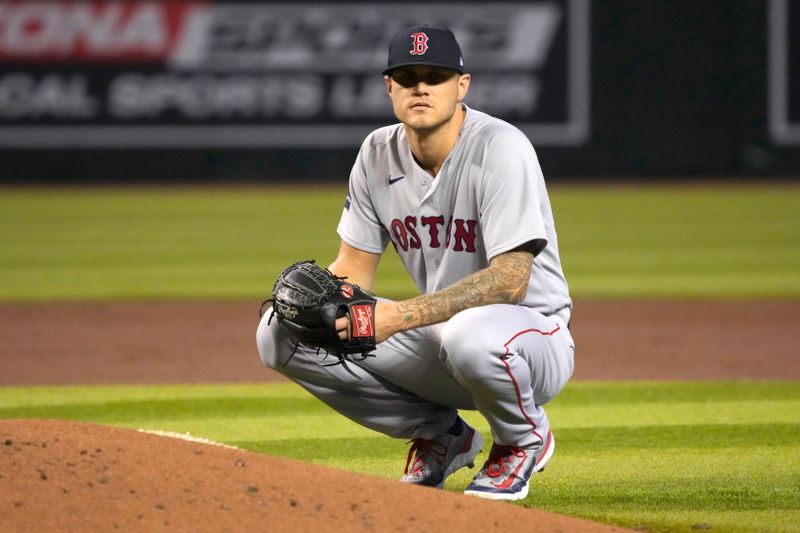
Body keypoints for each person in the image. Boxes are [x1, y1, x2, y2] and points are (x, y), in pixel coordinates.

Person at [257, 24, 575, 501]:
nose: (420, 87)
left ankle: (522, 440)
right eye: (407, 77)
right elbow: (353, 267)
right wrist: (329, 303)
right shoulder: (376, 153)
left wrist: (397, 316)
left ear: (461, 85)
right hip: (442, 338)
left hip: (532, 338)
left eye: (436, 75)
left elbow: (511, 281)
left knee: (472, 333)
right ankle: (441, 434)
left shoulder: (500, 147)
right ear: (390, 87)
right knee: (279, 334)